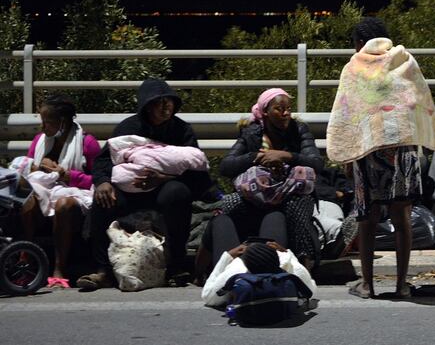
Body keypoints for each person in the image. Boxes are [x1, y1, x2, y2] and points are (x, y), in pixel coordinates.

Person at [326, 17, 435, 299]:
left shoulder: (354, 66)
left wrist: (347, 154)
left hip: (367, 149)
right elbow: (418, 100)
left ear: (359, 43)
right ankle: (401, 285)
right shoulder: (404, 60)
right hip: (402, 149)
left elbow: (346, 112)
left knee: (367, 219)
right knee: (402, 218)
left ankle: (367, 285)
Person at [78, 79, 214, 290]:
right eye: (159, 103)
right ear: (147, 106)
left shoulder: (182, 130)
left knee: (177, 193)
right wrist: (103, 182)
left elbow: (197, 174)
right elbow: (104, 161)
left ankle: (176, 267)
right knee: (103, 199)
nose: (165, 107)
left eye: (169, 102)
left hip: (163, 190)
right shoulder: (128, 127)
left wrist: (163, 178)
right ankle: (103, 271)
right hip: (130, 190)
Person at [198, 87, 323, 276]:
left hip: (289, 194)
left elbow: (316, 163)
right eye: (279, 109)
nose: (286, 113)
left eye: (288, 109)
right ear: (265, 112)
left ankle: (304, 263)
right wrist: (256, 157)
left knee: (297, 206)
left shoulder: (299, 130)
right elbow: (226, 166)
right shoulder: (252, 133)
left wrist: (286, 156)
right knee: (229, 204)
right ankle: (217, 263)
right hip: (258, 196)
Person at [17, 95, 101, 289]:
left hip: (75, 195)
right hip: (44, 193)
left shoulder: (87, 143)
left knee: (63, 203)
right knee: (26, 197)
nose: (42, 127)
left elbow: (98, 179)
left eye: (47, 122)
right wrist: (39, 167)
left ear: (62, 122)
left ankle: (59, 269)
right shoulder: (39, 141)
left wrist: (66, 175)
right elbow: (26, 170)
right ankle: (25, 259)